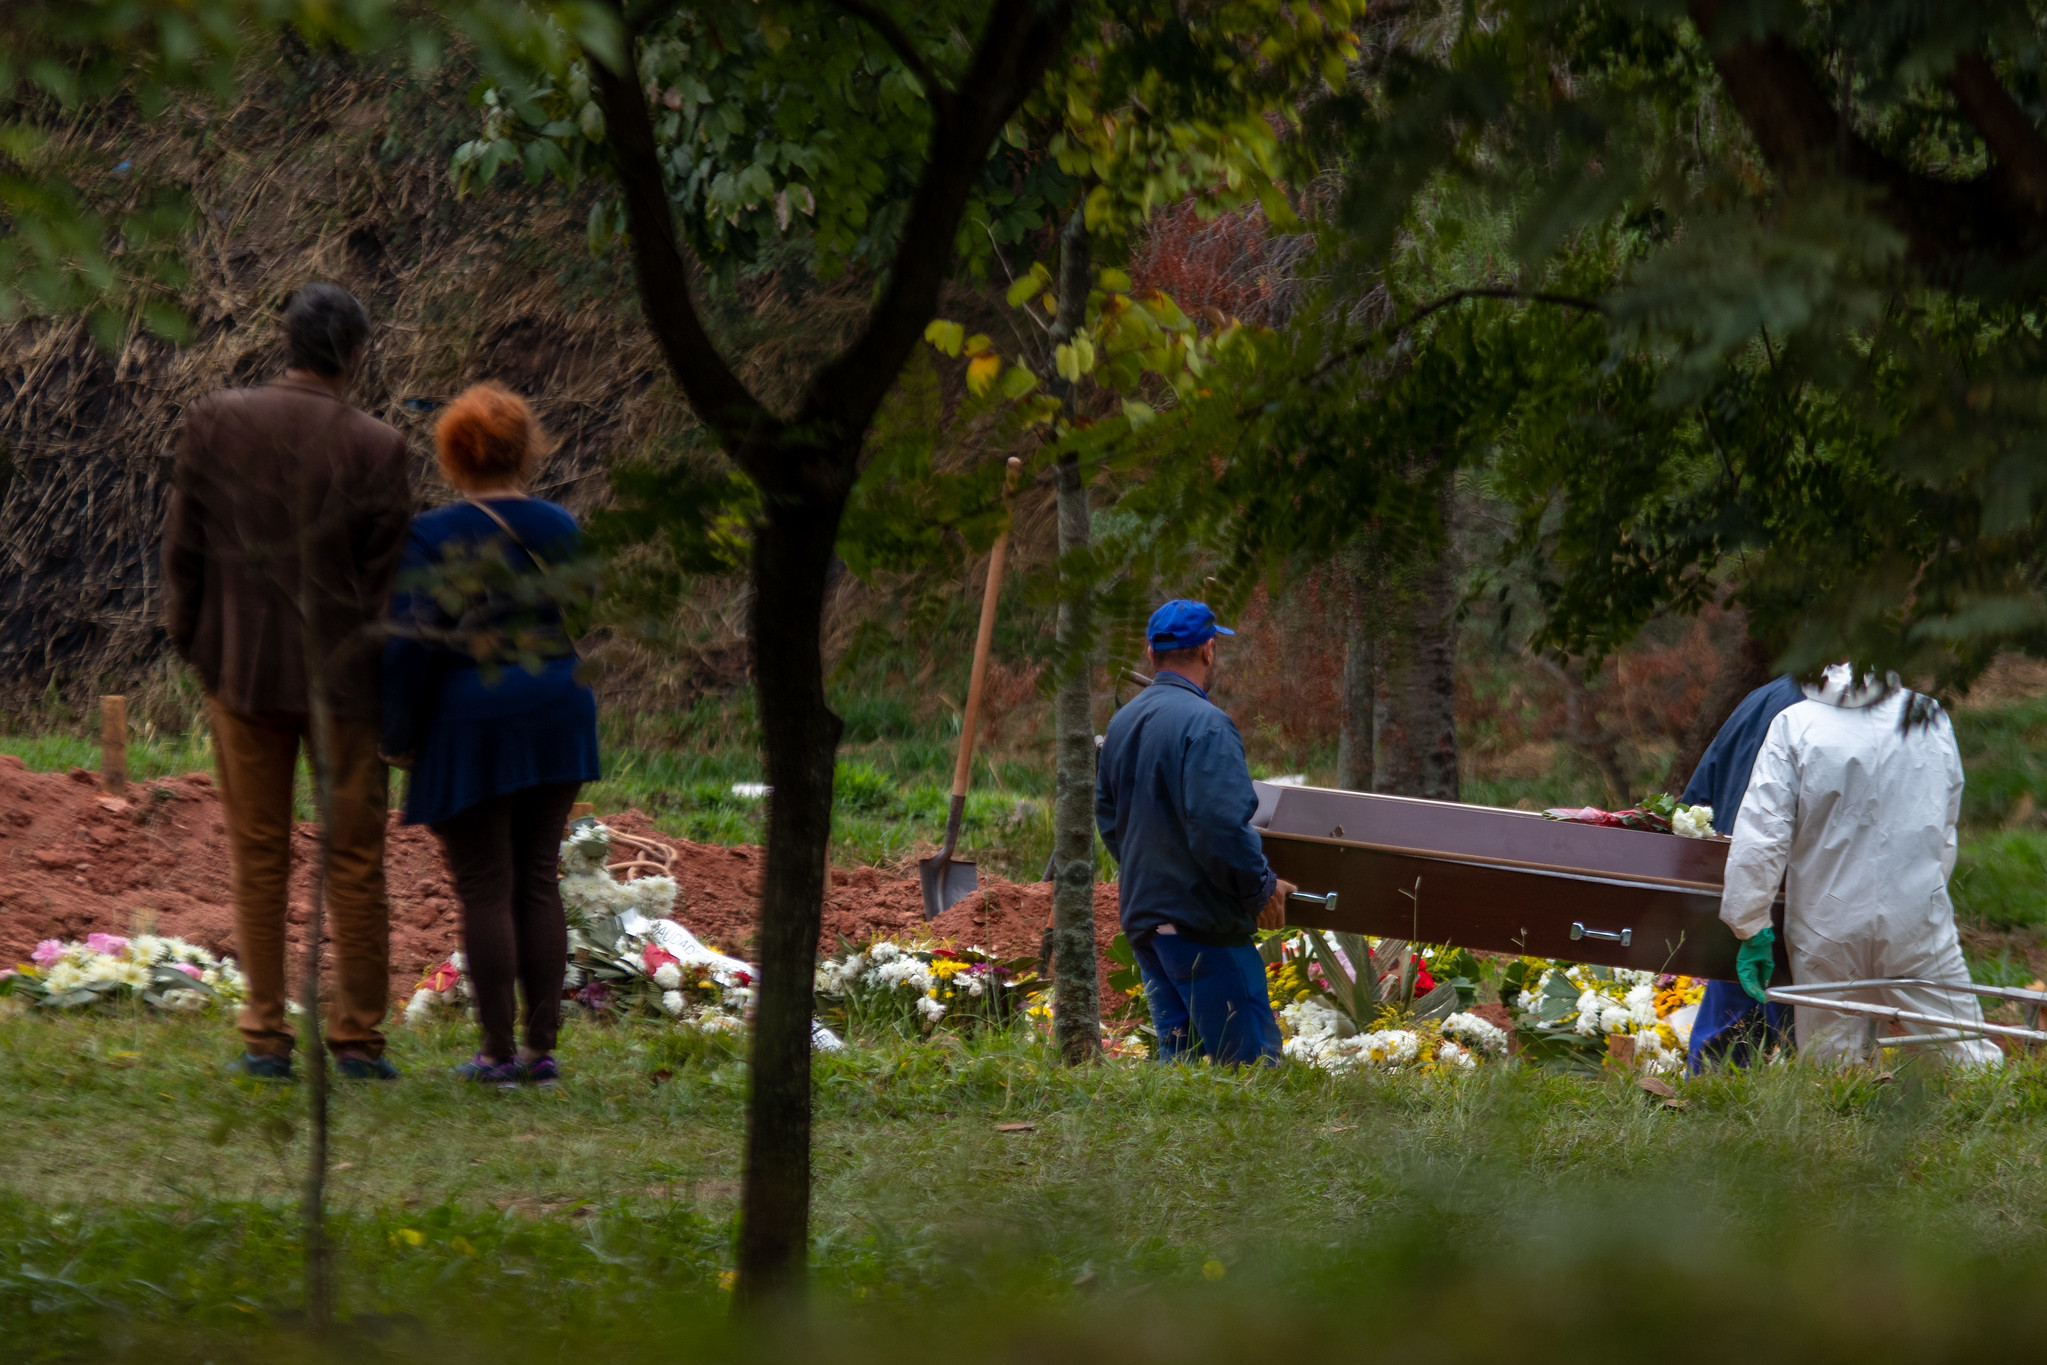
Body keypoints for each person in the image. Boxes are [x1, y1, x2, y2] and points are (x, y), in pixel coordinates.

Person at [164, 282, 412, 1082]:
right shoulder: (379, 447)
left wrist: (198, 645)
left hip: (239, 669)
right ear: (358, 353)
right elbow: (388, 588)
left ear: (286, 341)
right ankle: (357, 1039)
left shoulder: (216, 420)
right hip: (343, 685)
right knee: (354, 855)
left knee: (258, 850)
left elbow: (184, 550)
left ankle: (265, 1034)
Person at [382, 383, 599, 1085]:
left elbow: (410, 644)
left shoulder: (433, 535)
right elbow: (586, 614)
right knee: (537, 878)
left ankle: (495, 1051)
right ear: (524, 450)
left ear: (451, 455)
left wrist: (396, 731)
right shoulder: (560, 525)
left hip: (472, 719)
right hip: (556, 708)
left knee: (485, 885)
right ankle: (542, 1048)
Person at [1720, 664, 2000, 1067]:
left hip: (1826, 921)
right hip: (1916, 915)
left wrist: (1749, 922)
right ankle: (1992, 1113)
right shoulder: (1929, 717)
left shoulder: (1795, 724)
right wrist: (1928, 891)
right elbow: (1944, 824)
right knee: (1962, 1049)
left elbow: (1763, 834)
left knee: (1831, 1061)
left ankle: (1841, 1121)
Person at [1096, 599, 1293, 1064]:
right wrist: (1261, 889)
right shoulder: (1207, 724)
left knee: (1182, 1070)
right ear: (1208, 650)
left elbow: (1110, 817)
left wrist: (1156, 874)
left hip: (1147, 921)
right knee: (1248, 1072)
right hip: (1203, 928)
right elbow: (1219, 825)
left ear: (1150, 651)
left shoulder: (1122, 722)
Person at [1681, 674, 1802, 1073]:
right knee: (1805, 1034)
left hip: (1735, 877)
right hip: (1794, 887)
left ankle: (1704, 1102)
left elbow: (1697, 798)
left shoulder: (1760, 697)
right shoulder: (1826, 712)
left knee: (1728, 1023)